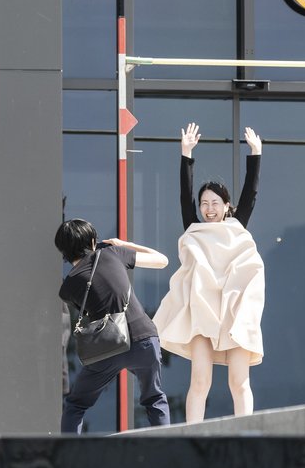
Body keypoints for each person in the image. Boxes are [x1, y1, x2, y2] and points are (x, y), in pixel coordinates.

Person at [152, 123, 265, 422]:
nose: (209, 208)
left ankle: (245, 435)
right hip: (203, 311)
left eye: (215, 203)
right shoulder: (195, 229)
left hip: (233, 308)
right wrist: (185, 154)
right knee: (200, 381)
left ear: (227, 206)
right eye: (205, 203)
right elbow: (183, 195)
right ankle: (193, 436)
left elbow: (250, 192)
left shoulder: (236, 226)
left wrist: (256, 154)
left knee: (239, 382)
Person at [56, 218, 171, 433]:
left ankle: (67, 462)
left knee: (76, 405)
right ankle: (170, 460)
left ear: (63, 250)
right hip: (143, 338)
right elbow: (162, 260)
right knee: (154, 398)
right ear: (92, 240)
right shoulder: (112, 254)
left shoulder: (67, 288)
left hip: (107, 347)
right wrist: (122, 244)